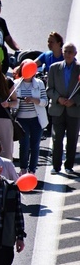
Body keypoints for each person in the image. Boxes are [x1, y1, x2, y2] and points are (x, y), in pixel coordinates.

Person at [47, 42, 80, 175]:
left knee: (72, 139)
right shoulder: (54, 68)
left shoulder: (79, 69)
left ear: (75, 54)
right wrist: (58, 99)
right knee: (57, 139)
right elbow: (49, 89)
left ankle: (69, 165)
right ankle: (56, 166)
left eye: (70, 52)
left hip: (74, 110)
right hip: (57, 109)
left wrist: (74, 101)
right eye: (65, 51)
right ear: (62, 52)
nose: (67, 54)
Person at [14, 60, 49, 175]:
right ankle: (23, 168)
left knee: (35, 145)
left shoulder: (39, 83)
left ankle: (32, 170)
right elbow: (12, 101)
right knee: (24, 144)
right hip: (21, 119)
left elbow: (45, 102)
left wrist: (34, 100)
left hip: (36, 119)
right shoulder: (16, 83)